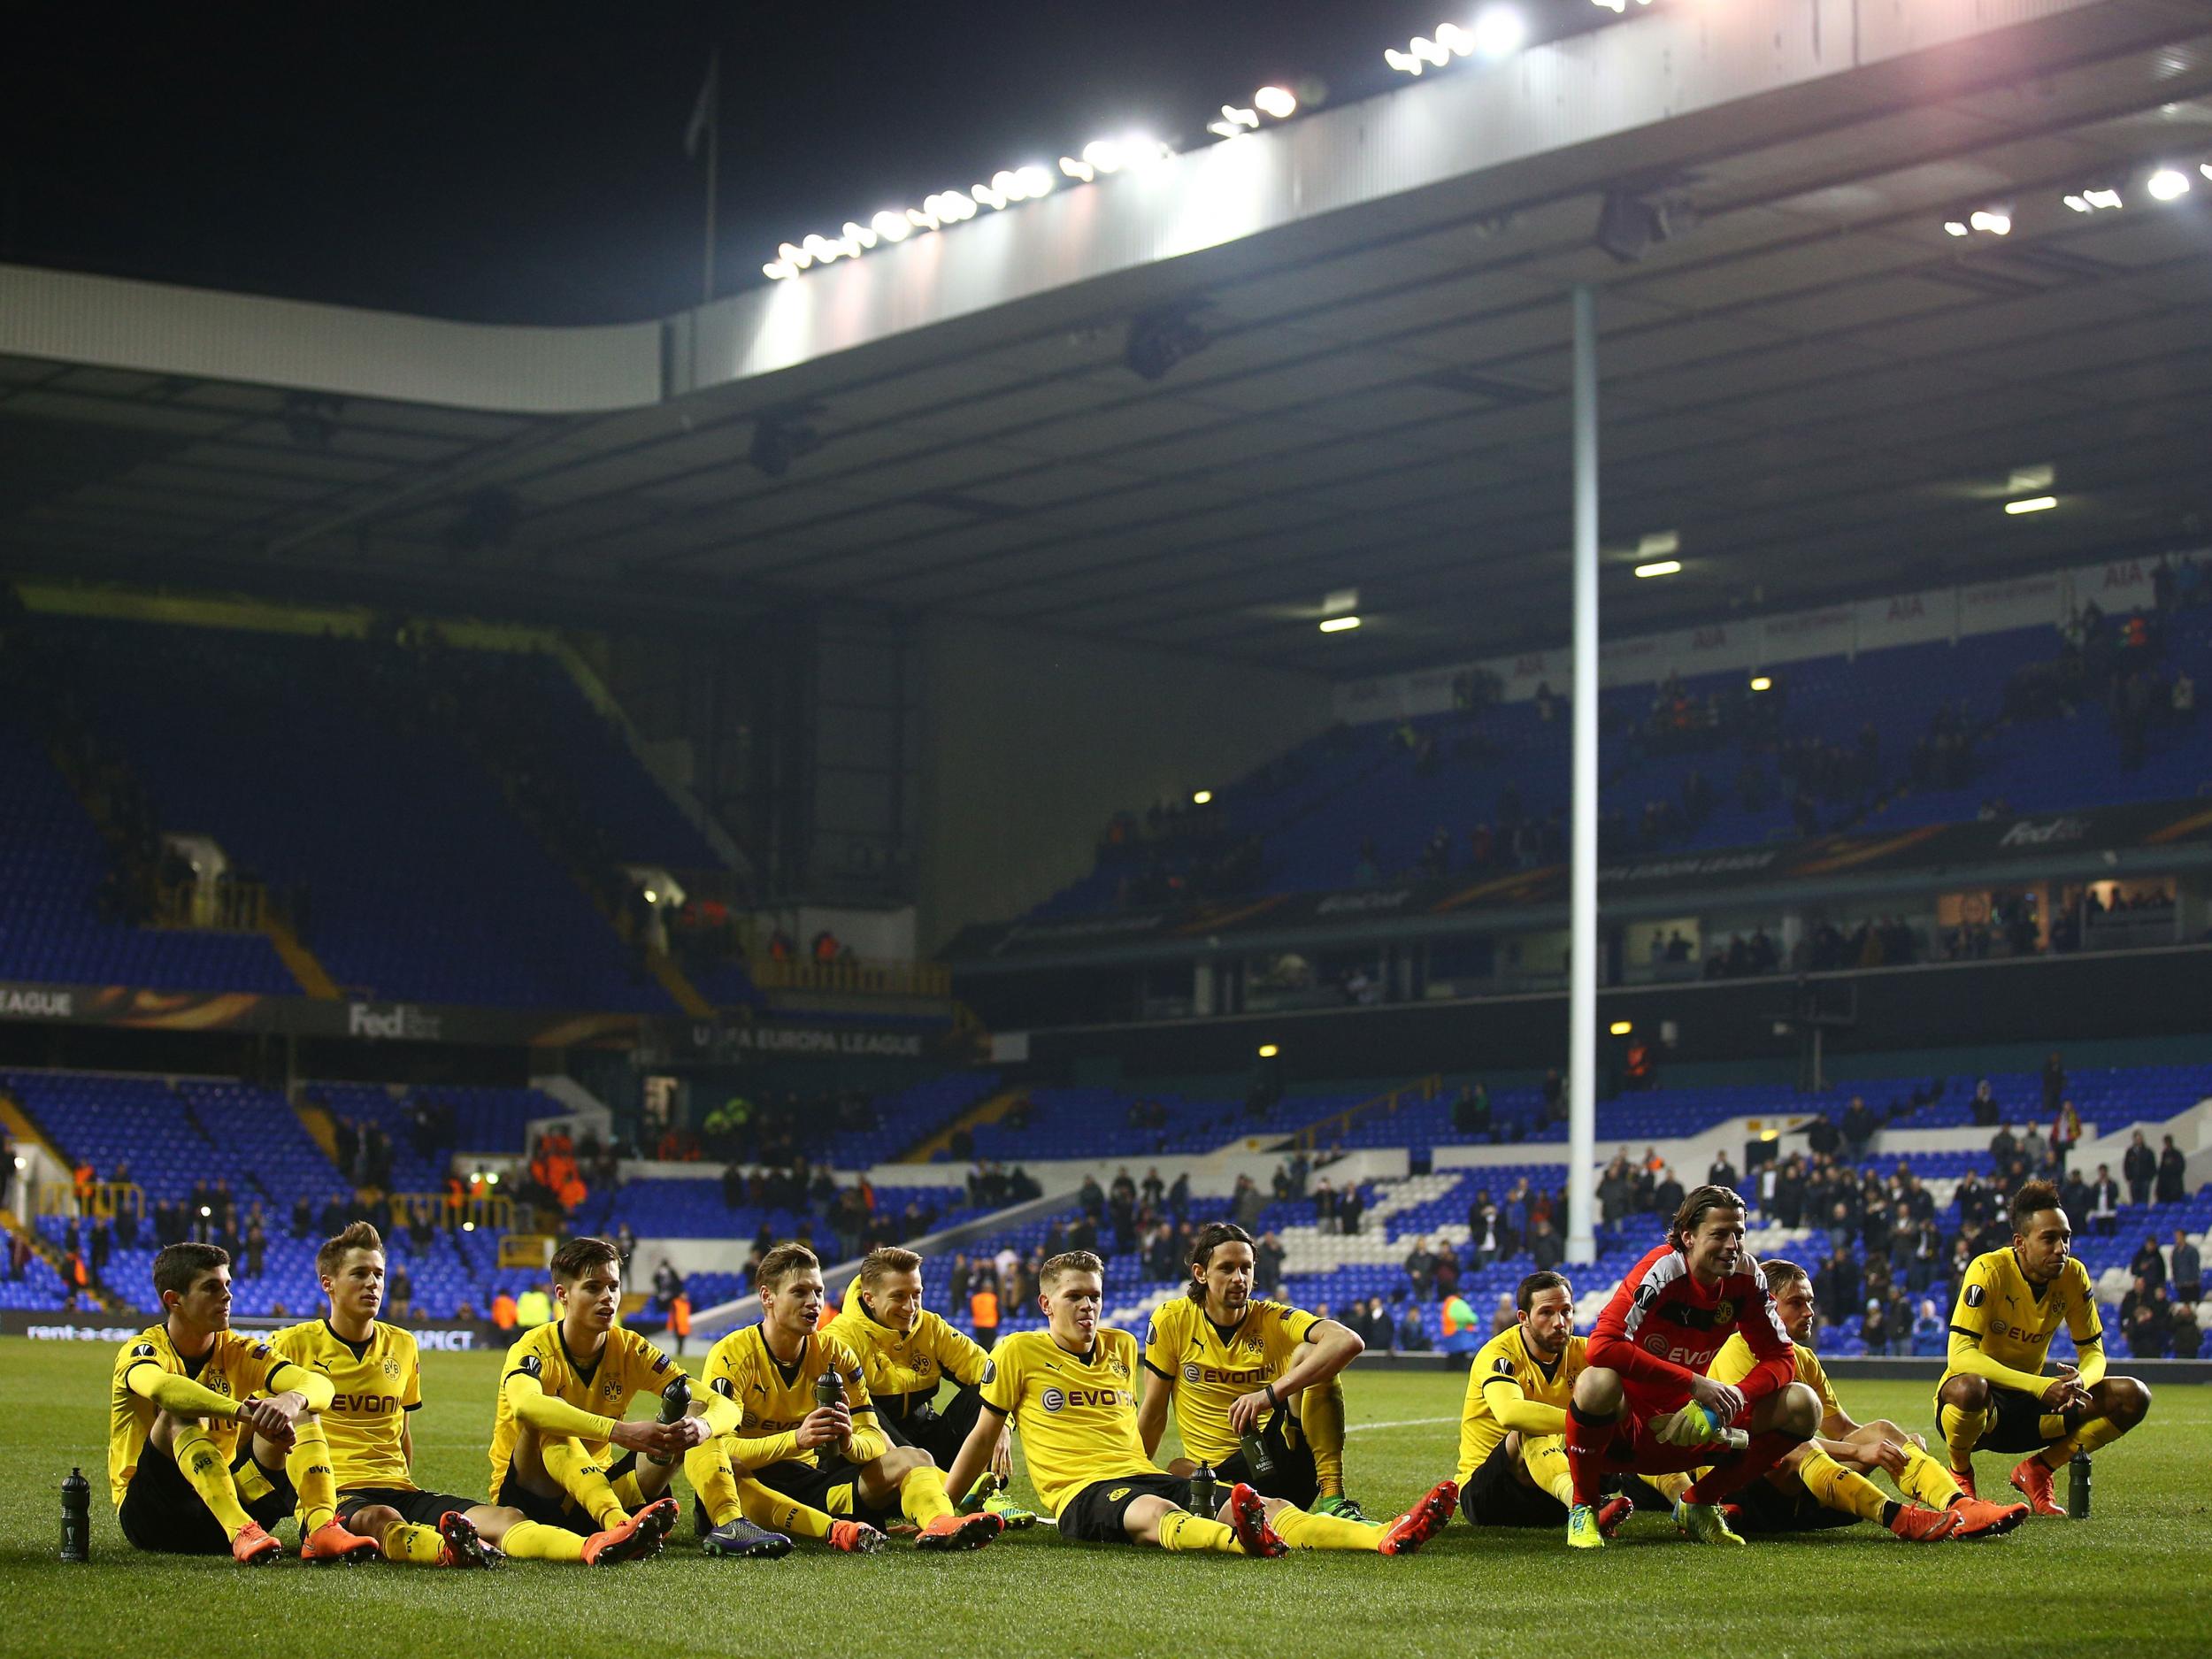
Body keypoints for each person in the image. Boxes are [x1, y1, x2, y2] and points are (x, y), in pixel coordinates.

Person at [942, 1250, 1454, 1556]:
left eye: (1094, 1295)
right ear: (1046, 1304)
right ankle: (1241, 1543)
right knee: (1152, 1511)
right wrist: (942, 1511)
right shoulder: (1017, 1350)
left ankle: (1383, 1537)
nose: (1087, 1306)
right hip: (1081, 1491)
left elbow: (1146, 1419)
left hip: (1136, 1473)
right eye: (1075, 1296)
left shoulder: (1122, 1345)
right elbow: (983, 1434)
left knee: (1263, 1505)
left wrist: (1151, 1464)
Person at [273, 1221, 643, 1567]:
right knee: (381, 1518)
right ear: (328, 1283)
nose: (372, 1283)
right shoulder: (292, 1344)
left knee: (506, 1517)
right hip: (334, 1495)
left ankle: (592, 1546)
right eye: (359, 1274)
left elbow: (402, 1432)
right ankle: (449, 1552)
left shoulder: (402, 1344)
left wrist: (404, 1480)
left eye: (378, 1274)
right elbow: (274, 1436)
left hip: (398, 1487)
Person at [1642, 1260, 2023, 1540]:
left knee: (1883, 1430)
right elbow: (1757, 1439)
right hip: (1738, 1485)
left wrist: (1887, 1445)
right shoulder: (1737, 1349)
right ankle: (1898, 1518)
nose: (1810, 1312)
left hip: (1795, 1497)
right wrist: (1859, 1454)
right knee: (1796, 1444)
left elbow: (1844, 1429)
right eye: (1798, 1303)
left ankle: (1960, 1506)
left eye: (1811, 1302)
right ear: (1768, 1307)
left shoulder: (1803, 1358)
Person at [687, 1241, 1002, 1552]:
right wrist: (796, 1439)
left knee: (912, 1458)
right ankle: (825, 1530)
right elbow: (718, 1450)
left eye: (819, 1292)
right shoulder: (732, 1355)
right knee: (726, 1459)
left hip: (812, 1480)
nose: (813, 1303)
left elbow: (873, 1438)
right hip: (749, 1483)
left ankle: (941, 1523)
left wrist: (850, 1443)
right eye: (799, 1292)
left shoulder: (834, 1354)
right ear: (767, 1297)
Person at [1561, 1184, 1822, 1548]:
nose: (1732, 1245)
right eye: (1719, 1234)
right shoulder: (1661, 1268)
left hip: (1700, 1425)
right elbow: (1603, 1346)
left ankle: (1699, 1504)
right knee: (1595, 1383)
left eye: (1739, 1233)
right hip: (1630, 1429)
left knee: (1803, 1405)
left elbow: (1781, 1358)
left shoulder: (1746, 1277)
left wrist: (1735, 1397)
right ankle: (1584, 1508)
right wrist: (1694, 1383)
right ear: (1688, 1237)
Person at [487, 1236, 772, 1560]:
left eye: (613, 1286)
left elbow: (724, 1405)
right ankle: (617, 1522)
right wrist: (621, 1432)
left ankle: (728, 1523)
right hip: (530, 1496)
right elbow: (526, 1407)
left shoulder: (629, 1347)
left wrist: (703, 1427)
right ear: (563, 1295)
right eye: (593, 1288)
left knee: (691, 1408)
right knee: (550, 1412)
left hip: (597, 1489)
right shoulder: (532, 1347)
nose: (607, 1298)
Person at [106, 1241, 377, 1563]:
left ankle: (321, 1529)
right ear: (174, 1300)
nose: (227, 1296)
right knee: (178, 1413)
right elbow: (164, 1389)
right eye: (211, 1287)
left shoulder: (238, 1350)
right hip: (156, 1516)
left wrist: (291, 1400)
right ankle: (241, 1530)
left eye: (227, 1285)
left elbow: (320, 1385)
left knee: (302, 1411)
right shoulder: (143, 1350)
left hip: (222, 1507)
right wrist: (242, 1412)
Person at [1935, 1179, 2154, 1514]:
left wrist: (2083, 1381)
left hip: (2032, 1412)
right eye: (2049, 1239)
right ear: (2020, 1243)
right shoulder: (1988, 1270)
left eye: (2065, 1237)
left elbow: (2094, 1353)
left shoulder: (2074, 1276)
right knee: (1969, 1388)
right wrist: (2040, 1386)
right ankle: (1960, 1472)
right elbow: (1960, 1354)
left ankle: (2038, 1470)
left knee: (2133, 1395)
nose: (2061, 1248)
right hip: (1984, 1410)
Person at [1139, 1222, 1371, 1521]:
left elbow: (1348, 1340)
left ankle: (1333, 1496)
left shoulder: (1272, 1318)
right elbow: (1155, 1412)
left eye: (1246, 1268)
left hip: (1281, 1463)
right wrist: (1134, 1473)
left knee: (1310, 1353)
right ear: (1200, 1273)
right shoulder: (1173, 1320)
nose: (1239, 1278)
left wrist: (1268, 1395)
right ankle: (1252, 1508)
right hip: (1219, 1477)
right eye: (1227, 1268)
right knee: (1179, 1470)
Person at [824, 1247, 1033, 1529]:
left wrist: (1002, 1426)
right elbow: (855, 1426)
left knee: (981, 1397)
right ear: (869, 1299)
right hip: (875, 1461)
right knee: (861, 1409)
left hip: (926, 1443)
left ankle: (985, 1493)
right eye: (898, 1296)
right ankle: (945, 1494)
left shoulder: (931, 1327)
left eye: (916, 1294)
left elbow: (992, 1375)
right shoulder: (839, 1338)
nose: (910, 1307)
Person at [1455, 1271, 1630, 1538]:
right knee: (1529, 1427)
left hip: (1548, 1494)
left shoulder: (1584, 1352)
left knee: (1621, 1408)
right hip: (1489, 1496)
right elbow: (1509, 1412)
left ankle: (1687, 1499)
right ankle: (1584, 1505)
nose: (1560, 1322)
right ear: (1524, 1318)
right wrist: (1585, 1424)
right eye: (1546, 1313)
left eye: (1566, 1311)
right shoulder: (1499, 1353)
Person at [2123, 1132, 2156, 1207]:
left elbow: (2153, 1166)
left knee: (2144, 1201)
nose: (2138, 1140)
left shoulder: (2148, 1152)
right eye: (2136, 1139)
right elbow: (2126, 1166)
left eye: (2140, 1139)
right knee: (2135, 1202)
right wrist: (2129, 1178)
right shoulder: (2130, 1152)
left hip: (2145, 1181)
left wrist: (2149, 1178)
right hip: (2134, 1181)